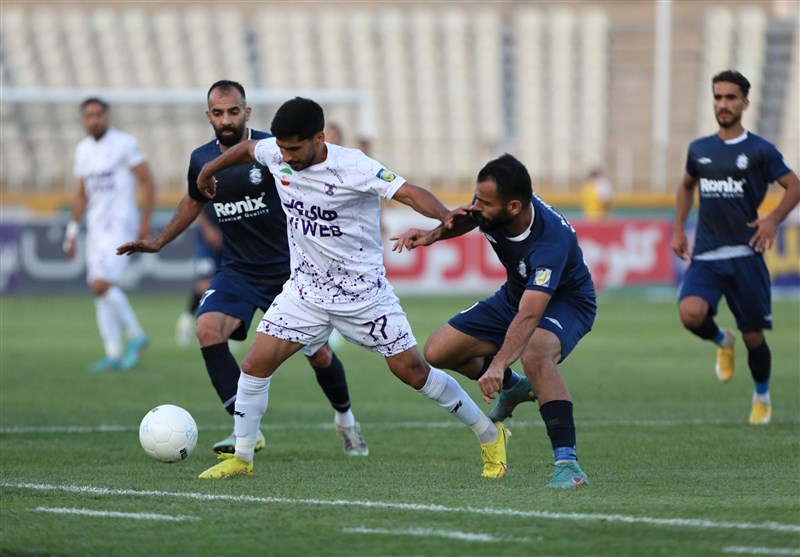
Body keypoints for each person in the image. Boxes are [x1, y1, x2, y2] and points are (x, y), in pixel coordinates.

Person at [192, 96, 509, 480]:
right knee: (255, 365)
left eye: (294, 149)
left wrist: (444, 215)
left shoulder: (354, 167)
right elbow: (246, 149)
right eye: (282, 149)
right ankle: (242, 458)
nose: (286, 157)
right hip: (305, 292)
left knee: (413, 373)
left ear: (319, 138)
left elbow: (408, 192)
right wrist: (209, 169)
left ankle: (490, 433)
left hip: (363, 297)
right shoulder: (276, 152)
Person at [118, 82, 369, 457]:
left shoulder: (273, 149)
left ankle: (346, 421)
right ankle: (244, 431)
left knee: (318, 354)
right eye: (218, 113)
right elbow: (193, 201)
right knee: (207, 329)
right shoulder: (201, 159)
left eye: (233, 112)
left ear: (246, 113)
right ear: (208, 116)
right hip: (237, 271)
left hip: (290, 273)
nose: (226, 120)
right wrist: (159, 241)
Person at [392, 154, 596, 489]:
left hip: (566, 303)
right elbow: (471, 217)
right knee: (438, 351)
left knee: (535, 354)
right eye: (478, 197)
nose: (477, 206)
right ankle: (515, 387)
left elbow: (530, 314)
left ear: (513, 207)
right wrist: (433, 235)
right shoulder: (493, 207)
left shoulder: (551, 243)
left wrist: (498, 364)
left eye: (485, 203)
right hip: (515, 295)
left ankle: (568, 465)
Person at [671, 70, 800, 425]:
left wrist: (772, 220)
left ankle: (761, 397)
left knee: (754, 336)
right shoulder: (700, 149)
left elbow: (794, 185)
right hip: (707, 255)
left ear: (745, 102)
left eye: (731, 97)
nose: (723, 104)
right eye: (718, 97)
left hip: (746, 255)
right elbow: (685, 186)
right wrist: (679, 229)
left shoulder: (760, 150)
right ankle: (721, 340)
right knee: (689, 313)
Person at [64, 97, 153, 372]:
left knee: (101, 284)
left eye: (98, 115)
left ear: (107, 116)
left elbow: (147, 180)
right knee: (100, 292)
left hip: (120, 225)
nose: (94, 120)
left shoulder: (124, 144)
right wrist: (72, 230)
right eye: (88, 116)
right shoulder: (83, 149)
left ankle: (136, 335)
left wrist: (145, 220)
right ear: (83, 120)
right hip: (95, 228)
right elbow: (82, 193)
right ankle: (113, 353)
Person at [175, 203, 223, 348]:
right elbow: (195, 202)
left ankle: (223, 333)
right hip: (207, 238)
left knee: (226, 283)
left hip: (228, 234)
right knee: (205, 285)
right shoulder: (207, 186)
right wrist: (208, 229)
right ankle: (188, 318)